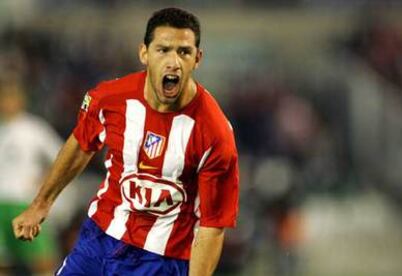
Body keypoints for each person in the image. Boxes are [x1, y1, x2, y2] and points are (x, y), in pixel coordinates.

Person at [12, 7, 239, 276]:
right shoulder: (110, 99)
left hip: (160, 260)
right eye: (163, 49)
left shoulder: (215, 131)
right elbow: (82, 143)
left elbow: (213, 224)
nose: (173, 61)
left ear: (197, 59)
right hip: (99, 240)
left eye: (184, 52)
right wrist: (41, 204)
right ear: (144, 53)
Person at [0, 75, 62, 275]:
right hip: (0, 201)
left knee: (43, 262)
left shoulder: (34, 128)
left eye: (11, 96)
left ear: (21, 99)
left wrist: (44, 182)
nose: (7, 101)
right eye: (3, 97)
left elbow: (61, 157)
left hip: (24, 203)